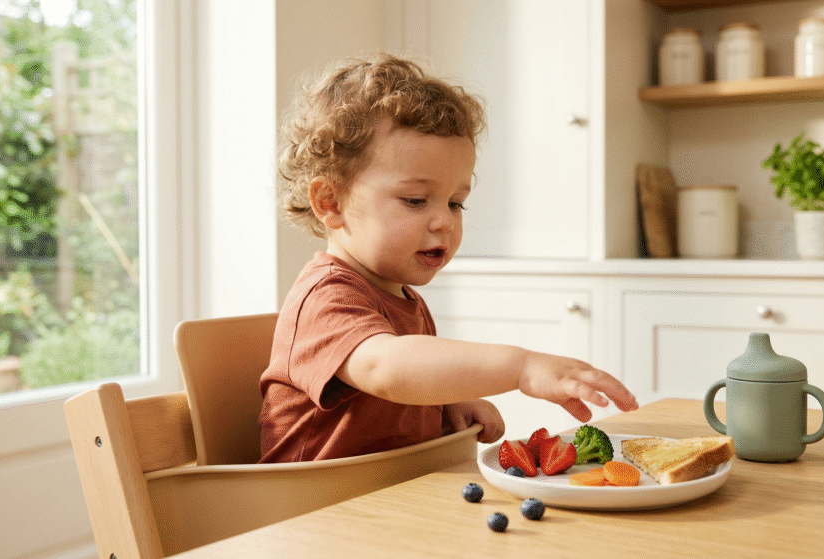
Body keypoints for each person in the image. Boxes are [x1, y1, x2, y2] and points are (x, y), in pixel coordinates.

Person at [259, 54, 638, 463]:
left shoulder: (406, 300)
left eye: (457, 203)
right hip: (308, 513)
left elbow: (399, 389)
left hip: (379, 501)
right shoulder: (324, 297)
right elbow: (385, 370)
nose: (443, 221)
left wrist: (446, 403)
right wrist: (521, 367)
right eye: (416, 200)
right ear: (330, 201)